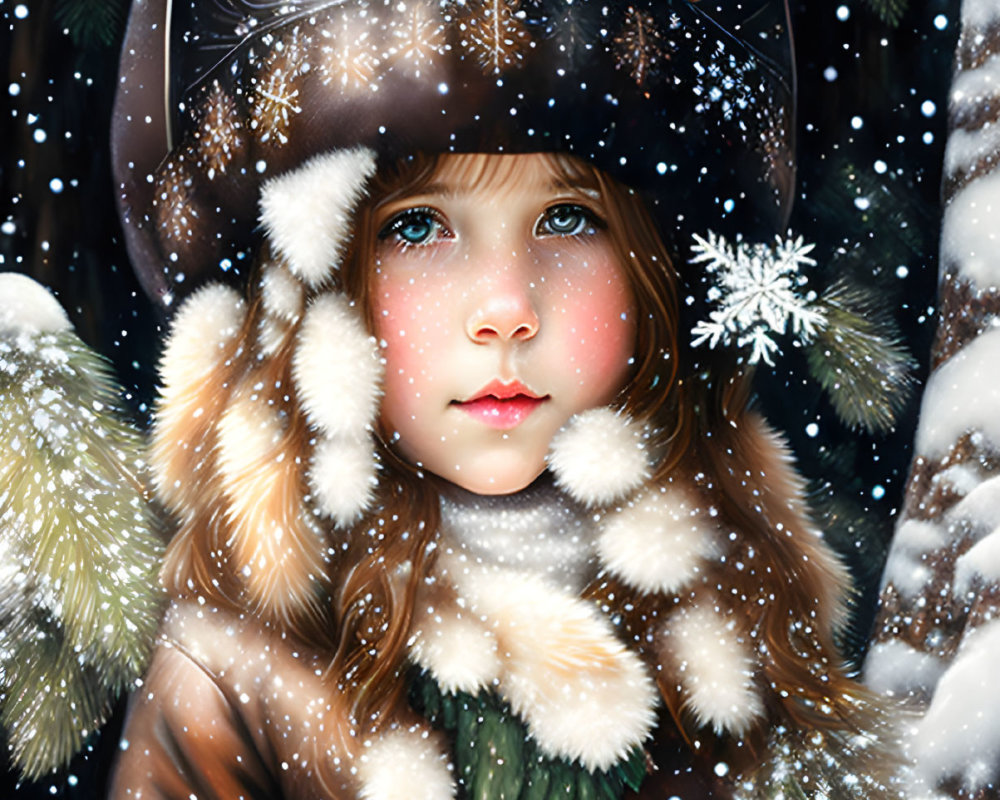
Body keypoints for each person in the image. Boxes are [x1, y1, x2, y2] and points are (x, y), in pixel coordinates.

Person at [101, 1, 903, 797]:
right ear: (307, 300)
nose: (507, 308)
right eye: (416, 229)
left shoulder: (738, 624)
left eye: (566, 218)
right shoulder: (232, 671)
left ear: (651, 276)